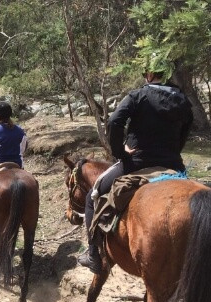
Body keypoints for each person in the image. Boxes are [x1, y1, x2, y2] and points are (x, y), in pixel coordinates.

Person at [77, 55, 194, 275]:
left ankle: (93, 253)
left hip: (137, 161)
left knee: (93, 195)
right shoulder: (182, 100)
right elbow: (187, 126)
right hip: (172, 164)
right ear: (167, 74)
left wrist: (121, 152)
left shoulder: (138, 95)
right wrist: (173, 151)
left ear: (149, 74)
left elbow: (114, 121)